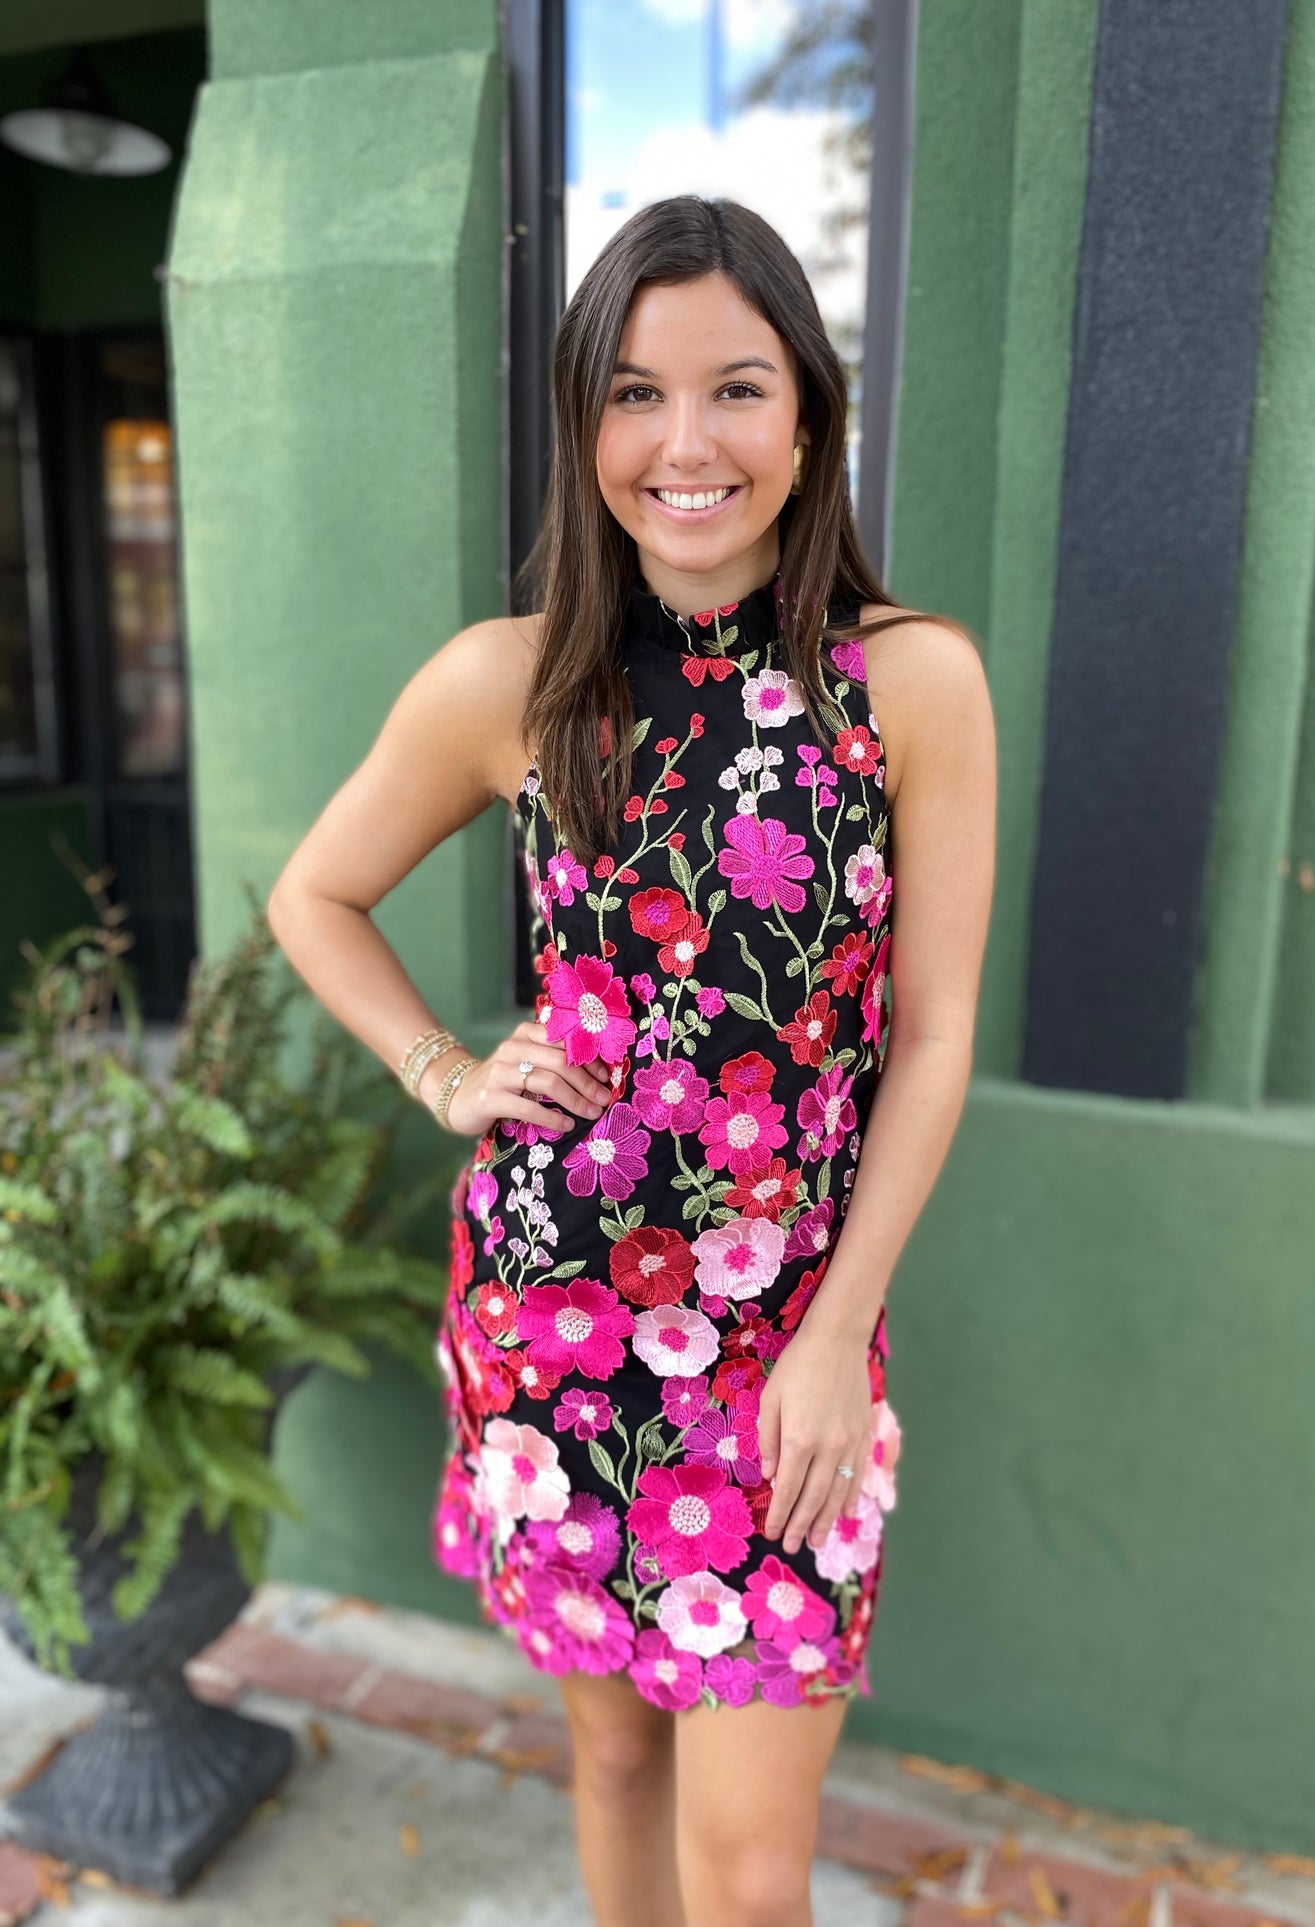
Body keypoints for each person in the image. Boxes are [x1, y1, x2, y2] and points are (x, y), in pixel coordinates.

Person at [267, 193, 995, 1927]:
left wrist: (834, 1341)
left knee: (748, 1877)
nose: (686, 443)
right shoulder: (507, 684)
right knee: (607, 1761)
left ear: (807, 414)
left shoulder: (908, 686)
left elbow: (939, 1033)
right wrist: (445, 1073)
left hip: (783, 1345)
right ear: (584, 420)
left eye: (736, 387)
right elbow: (317, 894)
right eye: (635, 393)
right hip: (550, 1322)